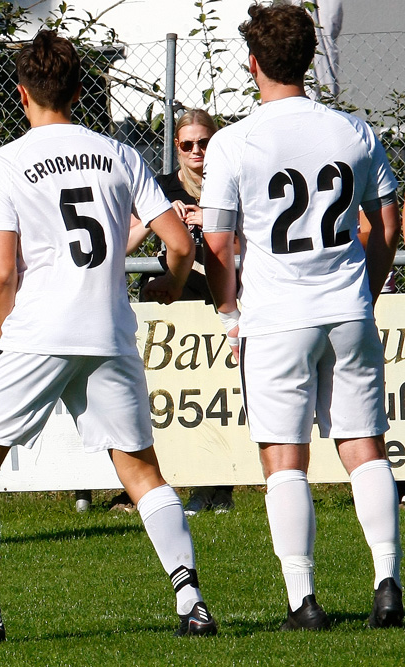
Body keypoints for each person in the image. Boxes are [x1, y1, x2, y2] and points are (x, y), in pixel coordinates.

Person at [0, 30, 216, 646]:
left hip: (39, 331)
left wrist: (9, 331)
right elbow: (181, 243)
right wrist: (168, 285)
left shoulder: (4, 163)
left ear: (22, 93)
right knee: (139, 470)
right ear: (82, 91)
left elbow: (3, 270)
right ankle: (192, 603)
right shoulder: (120, 154)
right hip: (108, 329)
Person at [201, 3, 402, 630]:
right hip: (345, 306)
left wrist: (229, 308)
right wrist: (363, 289)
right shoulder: (353, 131)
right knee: (364, 447)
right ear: (311, 58)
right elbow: (389, 223)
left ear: (254, 63)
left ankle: (303, 601)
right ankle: (388, 582)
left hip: (277, 315)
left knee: (282, 457)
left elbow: (216, 243)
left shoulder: (235, 141)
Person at [128, 109, 234, 516]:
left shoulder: (229, 181)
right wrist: (162, 220)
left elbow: (255, 240)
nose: (196, 151)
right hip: (171, 299)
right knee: (174, 395)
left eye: (203, 143)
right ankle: (177, 484)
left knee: (220, 393)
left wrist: (212, 221)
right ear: (176, 146)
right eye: (187, 144)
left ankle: (221, 486)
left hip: (219, 295)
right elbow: (128, 240)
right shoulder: (161, 185)